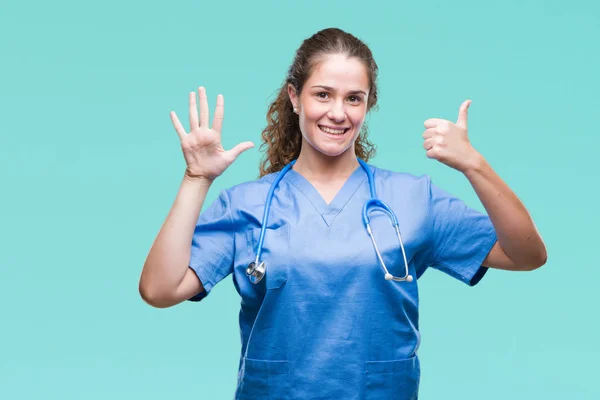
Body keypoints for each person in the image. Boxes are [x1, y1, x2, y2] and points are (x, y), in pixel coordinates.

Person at [139, 28, 547, 400]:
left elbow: (527, 255)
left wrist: (474, 165)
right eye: (323, 94)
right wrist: (196, 178)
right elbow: (159, 290)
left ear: (368, 106)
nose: (338, 112)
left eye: (354, 99)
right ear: (294, 97)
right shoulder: (247, 204)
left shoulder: (411, 199)